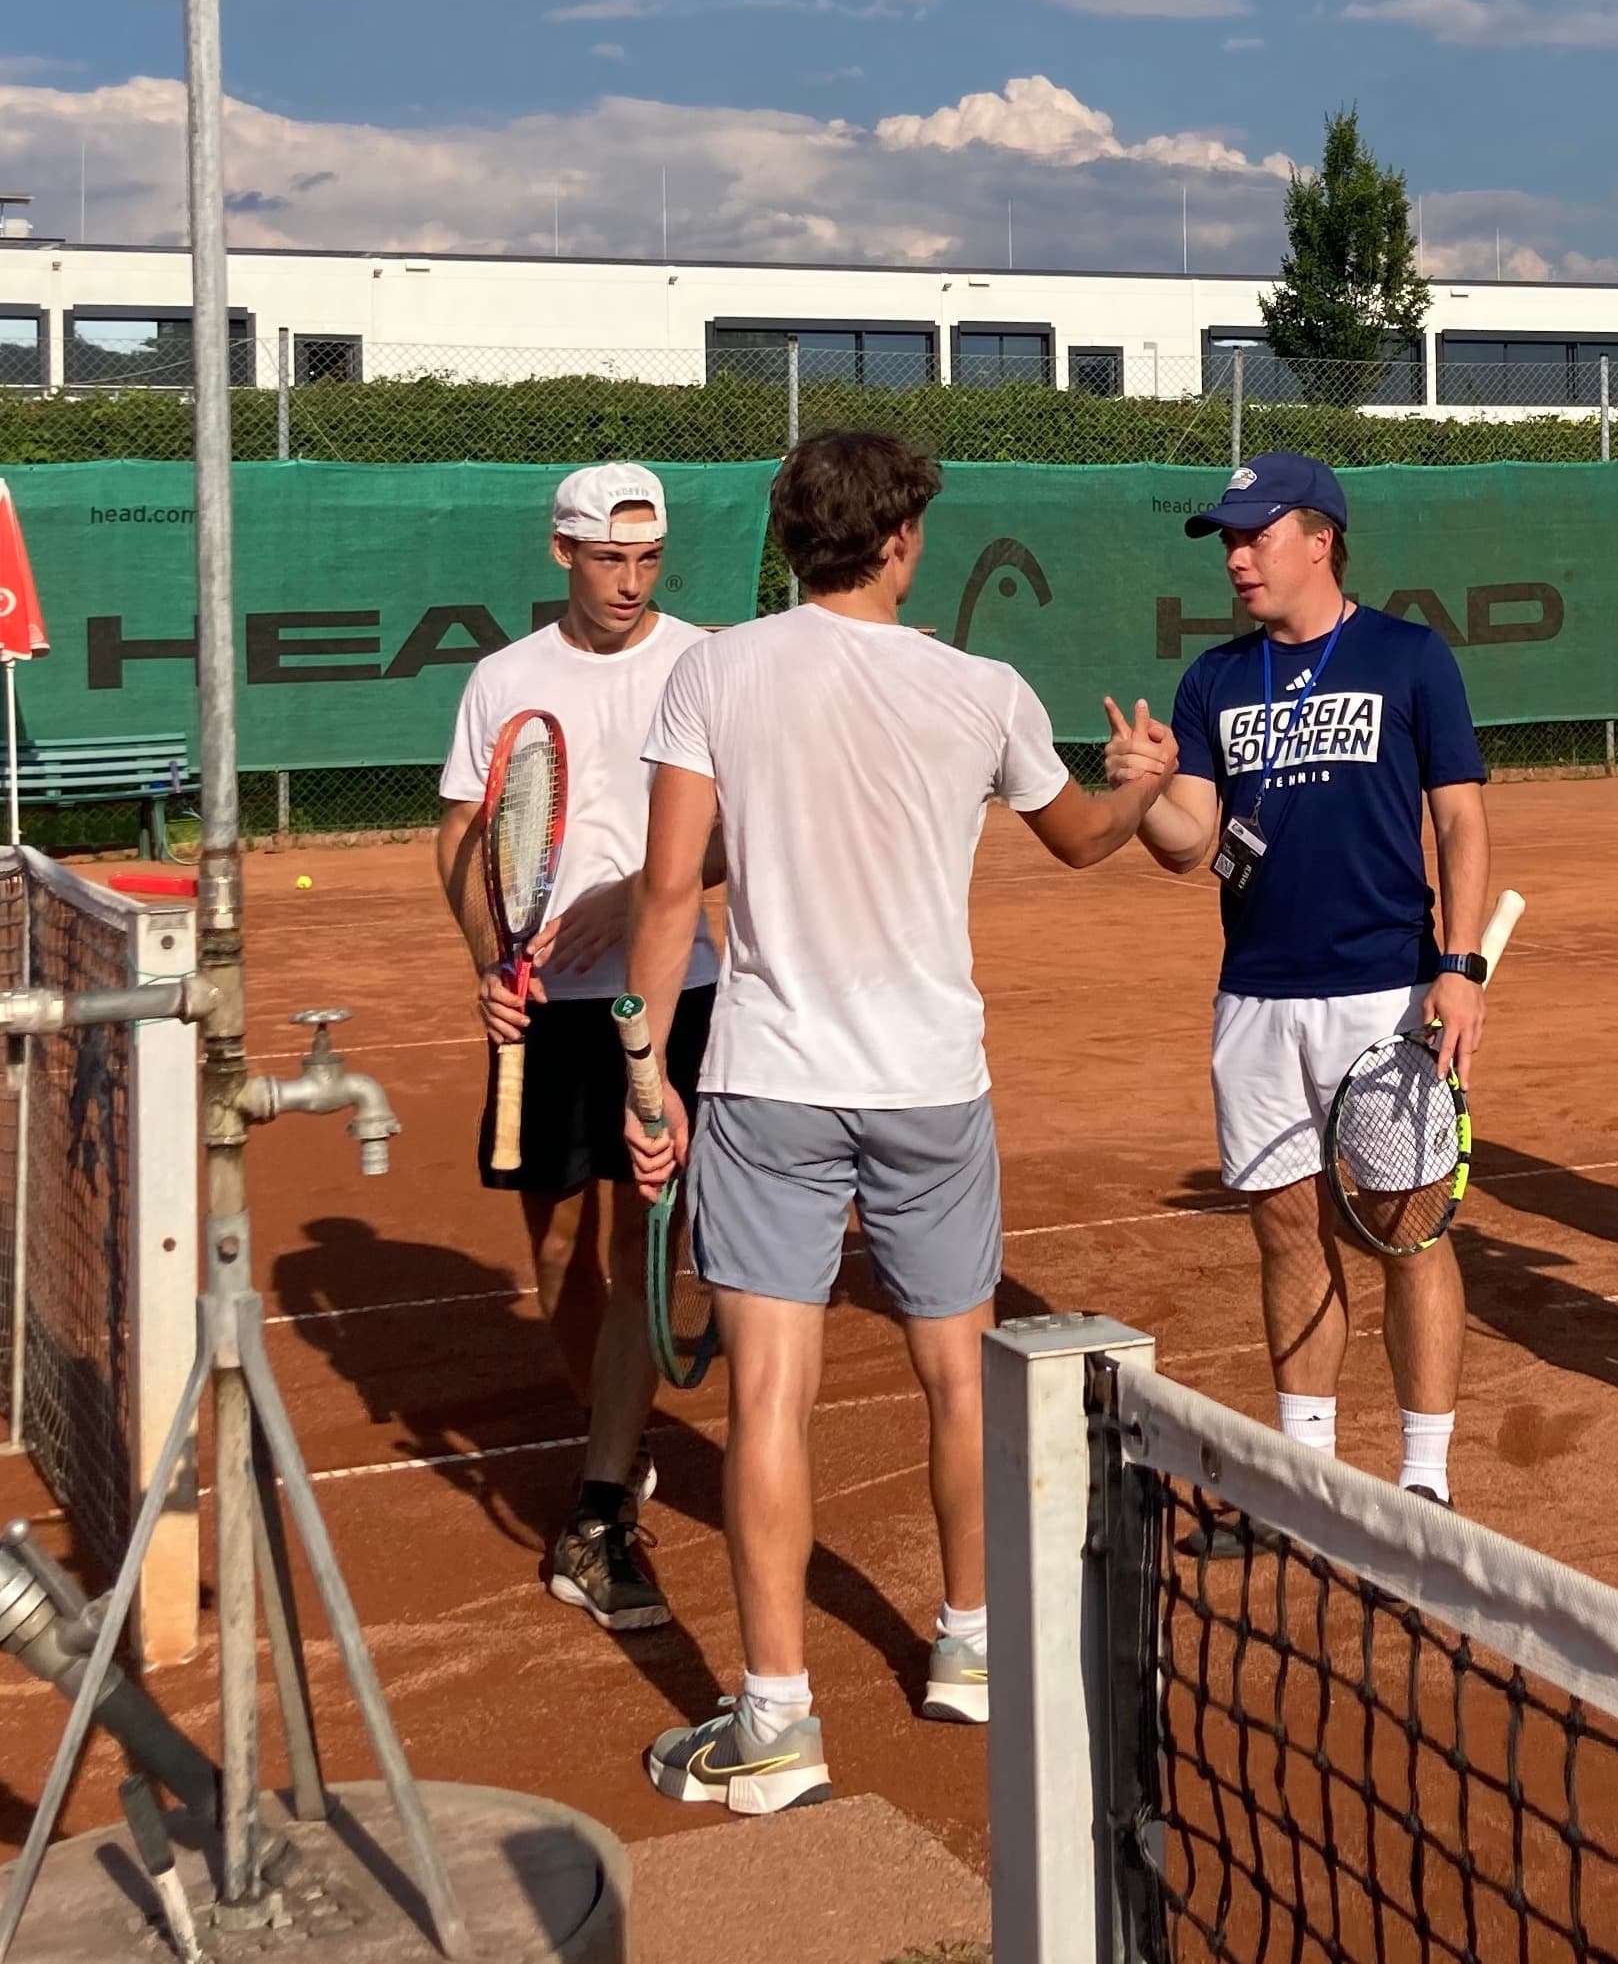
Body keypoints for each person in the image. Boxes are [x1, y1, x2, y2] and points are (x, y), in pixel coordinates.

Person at [619, 428, 1177, 1815]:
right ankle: (973, 1648)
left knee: (766, 1396)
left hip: (771, 1080)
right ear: (905, 537)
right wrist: (1145, 782)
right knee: (956, 1373)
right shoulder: (982, 688)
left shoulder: (713, 668)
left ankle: (777, 1718)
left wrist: (642, 1063)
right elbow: (1085, 839)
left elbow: (671, 885)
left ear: (794, 536)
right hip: (933, 1083)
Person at [1131, 452, 1491, 1512]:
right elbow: (1194, 842)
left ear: (1320, 537)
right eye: (1228, 540)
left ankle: (1423, 1480)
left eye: (1255, 534)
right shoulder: (1215, 678)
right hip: (1255, 996)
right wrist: (1148, 794)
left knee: (1407, 1228)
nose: (1237, 557)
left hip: (1383, 990)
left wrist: (1459, 965)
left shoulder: (1410, 656)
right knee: (1289, 1232)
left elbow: (1461, 816)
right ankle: (1308, 1481)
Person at [436, 463, 721, 1634]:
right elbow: (459, 834)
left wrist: (645, 896)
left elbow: (740, 835)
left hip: (672, 993)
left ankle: (602, 1492)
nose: (630, 581)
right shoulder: (504, 677)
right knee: (559, 1255)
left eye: (649, 560)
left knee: (651, 1233)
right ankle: (621, 1434)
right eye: (609, 559)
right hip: (540, 1008)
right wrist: (486, 960)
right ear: (562, 552)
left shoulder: (706, 662)